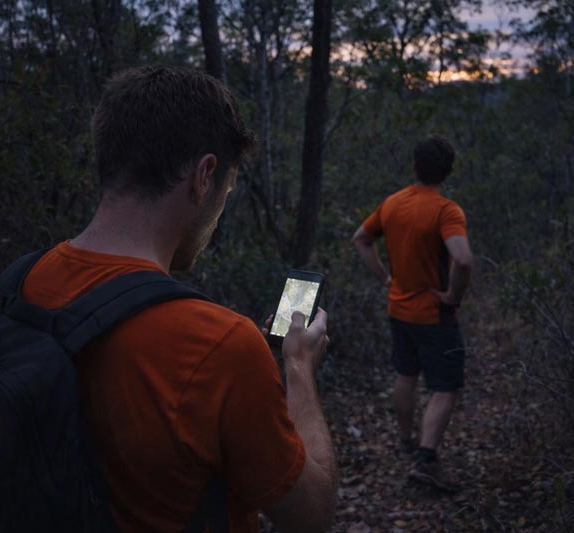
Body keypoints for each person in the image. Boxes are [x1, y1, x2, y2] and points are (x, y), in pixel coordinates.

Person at [21, 65, 337, 532]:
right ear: (204, 175)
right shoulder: (223, 346)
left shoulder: (25, 281)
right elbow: (311, 515)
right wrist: (299, 369)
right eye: (227, 189)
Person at [351, 135, 473, 492]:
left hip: (398, 309)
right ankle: (425, 459)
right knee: (446, 387)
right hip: (434, 315)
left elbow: (360, 238)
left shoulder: (392, 204)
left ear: (415, 166)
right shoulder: (445, 210)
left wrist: (385, 277)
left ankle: (406, 439)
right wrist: (452, 296)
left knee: (406, 374)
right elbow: (463, 259)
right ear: (447, 172)